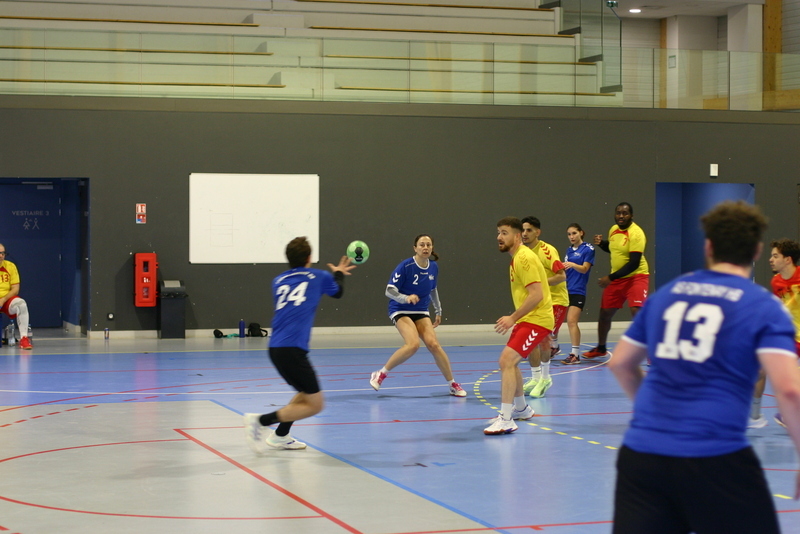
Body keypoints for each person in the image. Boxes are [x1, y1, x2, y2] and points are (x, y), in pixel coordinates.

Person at [608, 201, 800, 534]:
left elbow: (621, 363)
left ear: (708, 247)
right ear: (756, 251)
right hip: (715, 458)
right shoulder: (762, 305)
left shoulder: (668, 294)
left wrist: (656, 414)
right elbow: (790, 390)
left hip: (641, 457)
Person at [244, 237, 356, 452]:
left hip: (276, 348)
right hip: (292, 349)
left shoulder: (277, 281)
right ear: (309, 258)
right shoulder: (319, 276)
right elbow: (338, 292)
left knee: (306, 393)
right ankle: (260, 421)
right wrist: (339, 273)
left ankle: (280, 435)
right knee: (316, 405)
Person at [369, 234, 466, 397]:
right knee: (413, 344)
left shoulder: (434, 267)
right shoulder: (405, 266)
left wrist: (438, 310)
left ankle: (452, 384)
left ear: (432, 248)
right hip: (400, 309)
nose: (425, 247)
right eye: (422, 245)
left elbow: (433, 290)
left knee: (434, 344)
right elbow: (389, 290)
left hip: (420, 310)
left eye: (428, 245)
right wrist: (405, 298)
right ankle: (380, 373)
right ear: (415, 248)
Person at [485, 217, 553, 435]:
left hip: (537, 319)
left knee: (506, 360)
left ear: (517, 236)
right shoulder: (518, 258)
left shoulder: (524, 258)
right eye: (498, 232)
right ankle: (522, 409)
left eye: (504, 233)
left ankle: (506, 419)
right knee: (511, 363)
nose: (499, 237)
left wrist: (512, 318)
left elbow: (537, 294)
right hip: (529, 319)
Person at [583, 202, 649, 359]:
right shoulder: (613, 230)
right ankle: (601, 348)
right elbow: (613, 248)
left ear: (631, 216)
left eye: (625, 213)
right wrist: (602, 244)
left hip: (636, 276)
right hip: (618, 278)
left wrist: (610, 278)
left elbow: (634, 263)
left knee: (637, 312)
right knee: (605, 313)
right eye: (618, 213)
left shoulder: (636, 233)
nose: (621, 216)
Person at [749, 238, 800, 429]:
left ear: (788, 259)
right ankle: (755, 417)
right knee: (759, 370)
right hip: (789, 336)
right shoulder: (776, 281)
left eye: (775, 256)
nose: (771, 259)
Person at [520, 216, 567, 398]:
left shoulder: (548, 251)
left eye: (529, 230)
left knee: (543, 339)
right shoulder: (523, 252)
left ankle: (546, 378)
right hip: (536, 302)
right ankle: (535, 378)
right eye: (523, 230)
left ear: (537, 232)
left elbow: (561, 276)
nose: (525, 233)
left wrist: (540, 284)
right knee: (530, 339)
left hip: (555, 301)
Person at [561, 224, 595, 365]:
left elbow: (585, 269)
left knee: (571, 321)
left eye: (574, 233)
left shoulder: (588, 249)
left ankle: (575, 355)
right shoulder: (569, 250)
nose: (571, 236)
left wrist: (572, 265)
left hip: (578, 291)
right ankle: (554, 347)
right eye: (569, 234)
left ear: (581, 233)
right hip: (565, 290)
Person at [0, 243, 32, 350]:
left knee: (21, 304)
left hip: (6, 300)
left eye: (3, 253)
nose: (1, 256)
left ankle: (24, 338)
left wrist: (3, 299)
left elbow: (15, 289)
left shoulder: (10, 266)